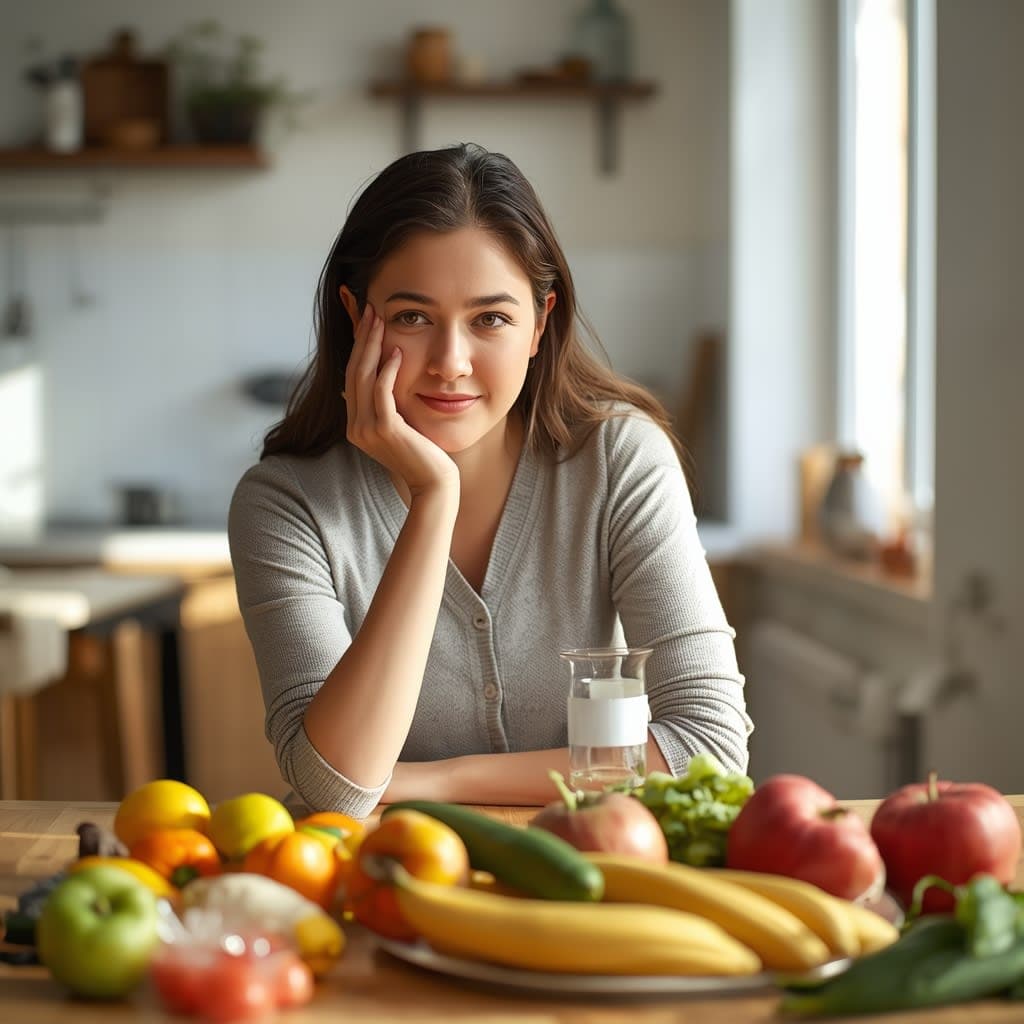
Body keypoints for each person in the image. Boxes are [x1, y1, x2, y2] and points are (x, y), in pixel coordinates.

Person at [228, 143, 752, 817]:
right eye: (413, 317)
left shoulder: (620, 459)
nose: (451, 362)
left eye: (491, 319)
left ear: (540, 323)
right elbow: (337, 785)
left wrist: (437, 782)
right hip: (384, 869)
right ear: (358, 318)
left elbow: (710, 750)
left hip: (598, 868)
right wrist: (433, 498)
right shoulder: (285, 504)